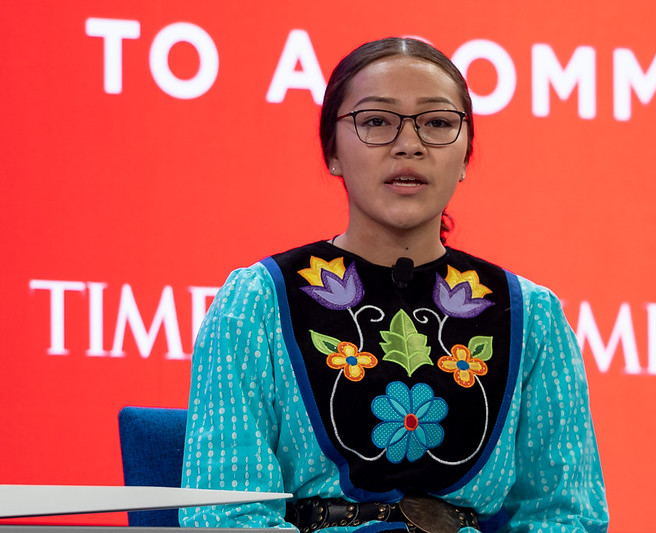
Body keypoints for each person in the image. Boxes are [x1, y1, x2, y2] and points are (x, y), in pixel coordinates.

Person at [180, 37, 609, 532]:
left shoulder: (532, 315)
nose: (410, 144)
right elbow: (226, 515)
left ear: (467, 155)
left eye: (438, 123)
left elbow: (567, 515)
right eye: (377, 121)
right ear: (332, 153)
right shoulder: (256, 301)